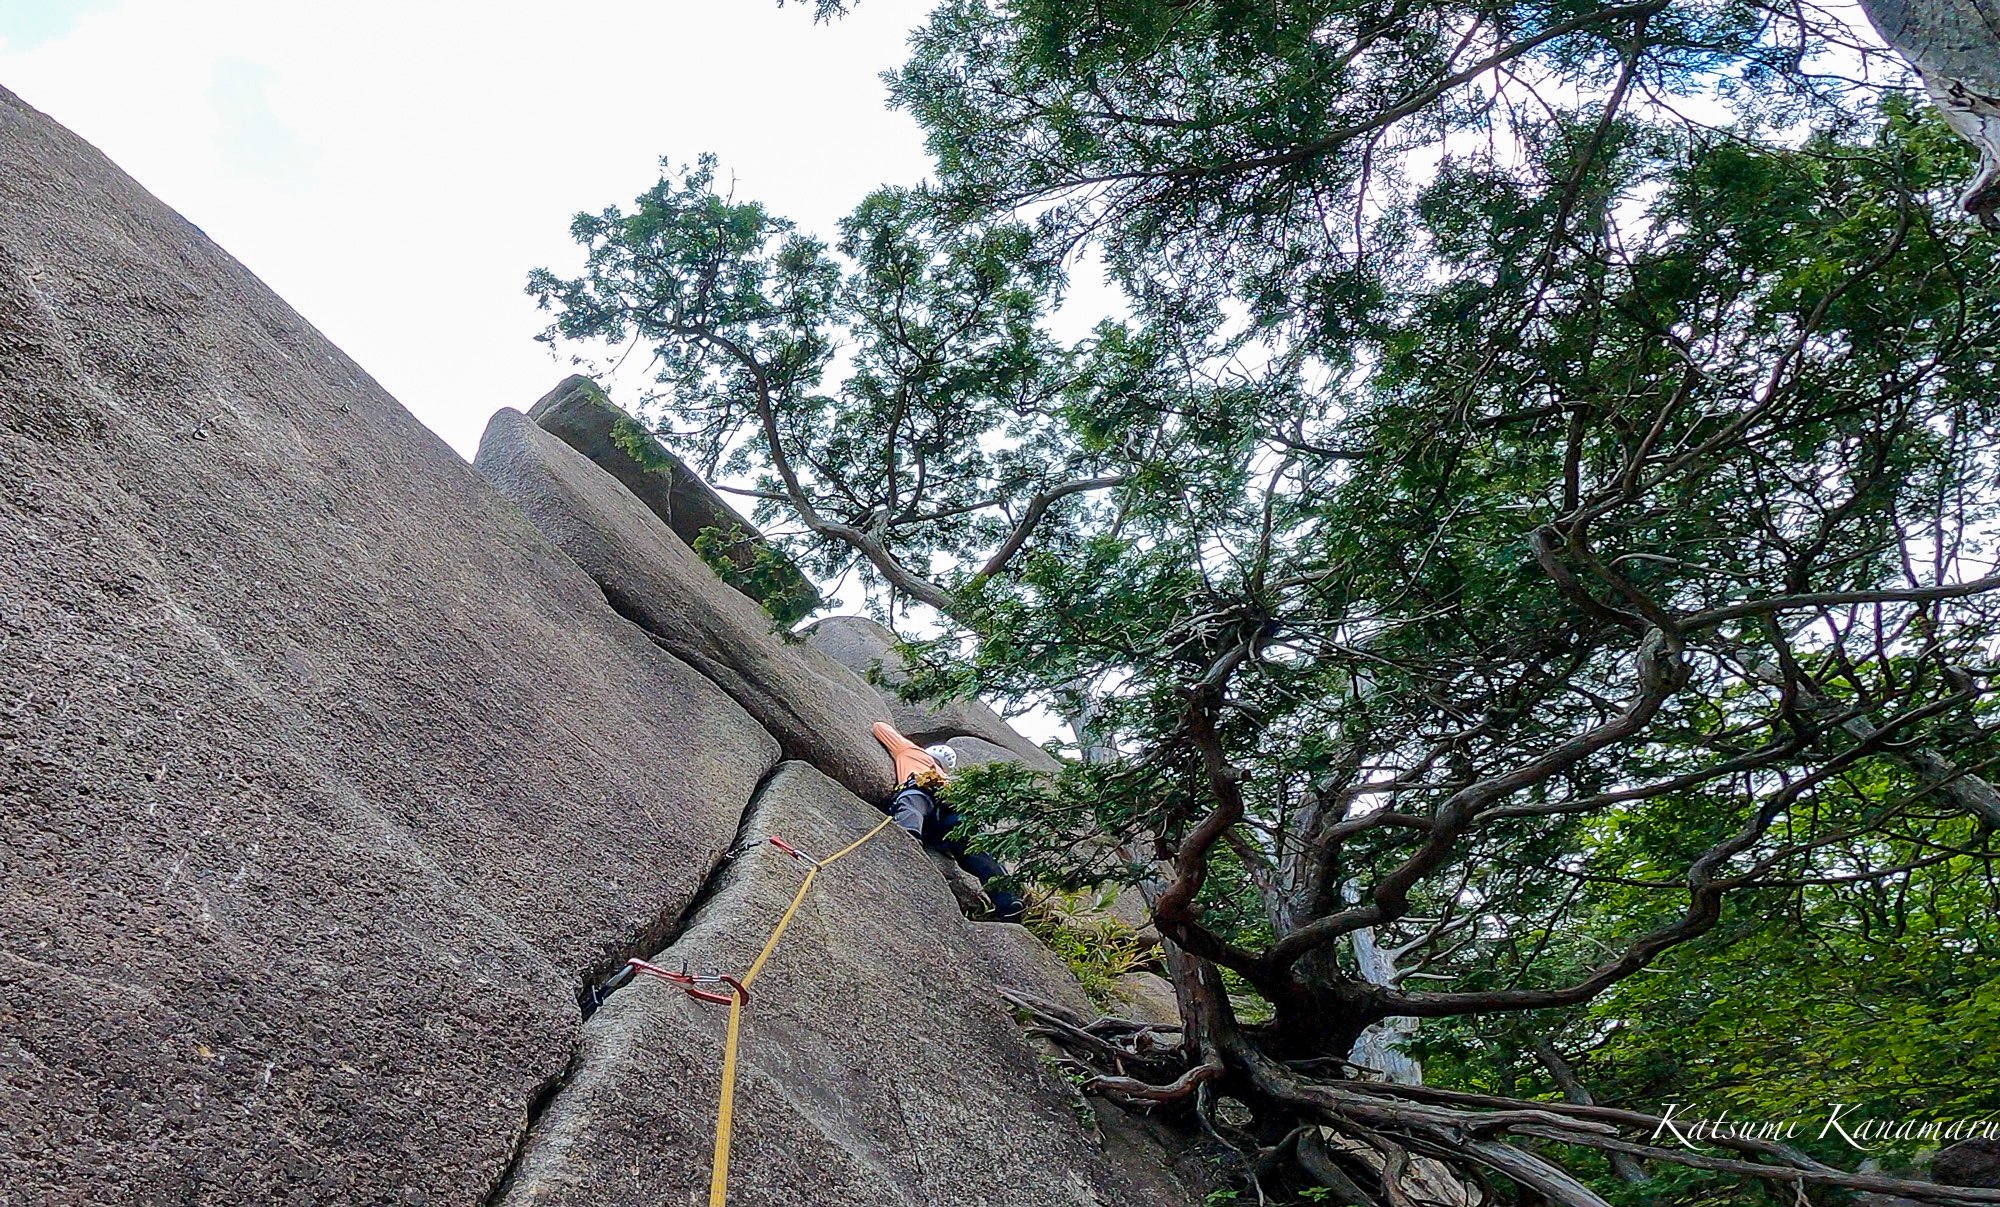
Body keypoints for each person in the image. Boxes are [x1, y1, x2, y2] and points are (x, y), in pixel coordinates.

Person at [873, 722, 1025, 922]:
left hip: (922, 793)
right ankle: (1008, 901)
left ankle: (906, 845)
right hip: (942, 806)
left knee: (911, 808)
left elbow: (880, 727)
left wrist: (906, 743)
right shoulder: (949, 778)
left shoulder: (911, 751)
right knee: (972, 845)